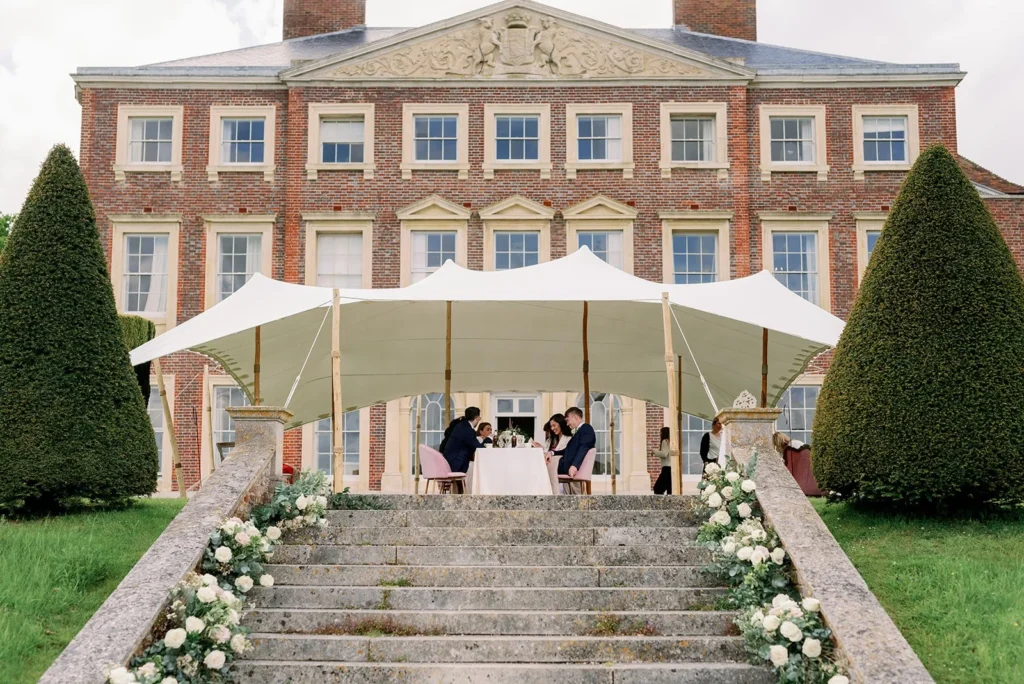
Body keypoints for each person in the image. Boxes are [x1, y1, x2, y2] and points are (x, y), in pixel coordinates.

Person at [443, 407, 485, 488]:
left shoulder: (461, 426)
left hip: (450, 460)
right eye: (479, 418)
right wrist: (488, 445)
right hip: (456, 463)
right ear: (476, 418)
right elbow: (477, 446)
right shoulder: (467, 429)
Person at [559, 406, 596, 493]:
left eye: (568, 420)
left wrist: (575, 465)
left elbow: (584, 447)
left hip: (568, 466)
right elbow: (567, 450)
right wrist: (552, 453)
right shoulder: (580, 431)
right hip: (565, 464)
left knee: (544, 467)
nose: (567, 424)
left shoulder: (586, 428)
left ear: (575, 417)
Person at [532, 414, 571, 494]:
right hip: (548, 464)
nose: (552, 428)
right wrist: (541, 448)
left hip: (560, 465)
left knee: (550, 462)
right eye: (551, 426)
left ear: (561, 424)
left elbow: (564, 452)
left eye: (554, 425)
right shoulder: (551, 439)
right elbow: (547, 452)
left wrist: (548, 454)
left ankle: (554, 494)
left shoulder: (569, 439)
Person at [652, 426, 672, 495]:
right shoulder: (670, 442)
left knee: (657, 489)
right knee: (670, 490)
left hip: (666, 469)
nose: (660, 434)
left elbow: (664, 454)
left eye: (661, 432)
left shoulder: (664, 441)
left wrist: (654, 452)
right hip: (670, 469)